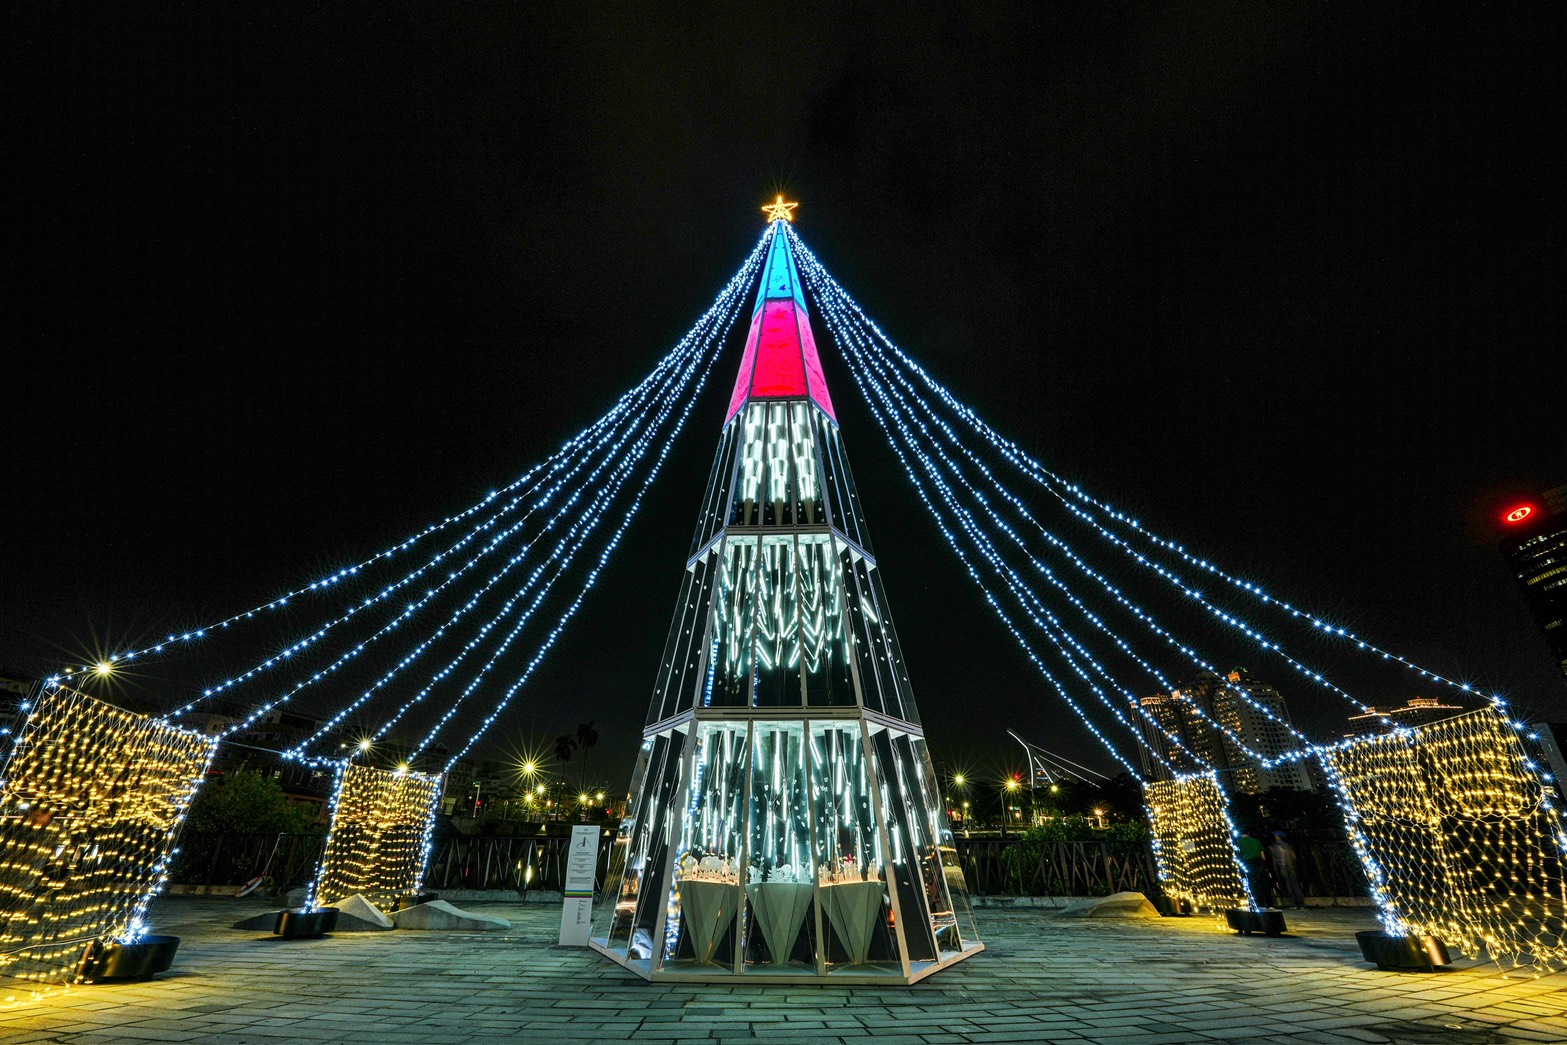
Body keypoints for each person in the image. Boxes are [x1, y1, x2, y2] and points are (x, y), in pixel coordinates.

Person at [1269, 830, 1305, 910]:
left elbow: (1280, 856)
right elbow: (1294, 856)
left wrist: (1281, 865)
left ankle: (1293, 903)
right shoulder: (1287, 845)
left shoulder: (1277, 846)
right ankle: (1301, 904)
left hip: (1284, 866)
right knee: (1295, 885)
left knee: (1288, 885)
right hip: (1291, 866)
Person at [1237, 832, 1274, 908]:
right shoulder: (1256, 840)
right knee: (1262, 882)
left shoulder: (1240, 841)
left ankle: (1258, 903)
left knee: (1252, 882)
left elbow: (1239, 853)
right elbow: (1262, 854)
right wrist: (1263, 865)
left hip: (1249, 861)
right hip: (1259, 861)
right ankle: (1269, 903)